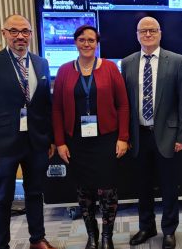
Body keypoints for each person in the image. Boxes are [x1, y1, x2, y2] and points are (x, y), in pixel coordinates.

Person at [0, 14, 56, 249]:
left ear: (30, 34)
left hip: (36, 142)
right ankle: (0, 245)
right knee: (3, 199)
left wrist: (50, 139)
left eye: (25, 31)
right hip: (3, 146)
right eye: (14, 31)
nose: (20, 36)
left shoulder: (41, 63)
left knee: (36, 194)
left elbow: (45, 106)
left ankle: (37, 239)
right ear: (4, 33)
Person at [52, 25, 129, 249]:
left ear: (97, 43)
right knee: (84, 191)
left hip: (106, 139)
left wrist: (123, 137)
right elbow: (56, 109)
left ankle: (107, 236)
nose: (87, 44)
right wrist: (60, 142)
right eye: (82, 40)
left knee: (107, 190)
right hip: (76, 140)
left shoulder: (110, 68)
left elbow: (123, 105)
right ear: (75, 42)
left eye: (91, 40)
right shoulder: (65, 70)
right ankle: (92, 235)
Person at [121, 17, 182, 249]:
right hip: (139, 136)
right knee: (142, 186)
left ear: (160, 33)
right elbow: (124, 104)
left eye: (152, 30)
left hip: (168, 136)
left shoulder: (177, 61)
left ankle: (169, 230)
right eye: (143, 31)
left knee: (169, 186)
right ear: (137, 35)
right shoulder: (127, 62)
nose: (148, 34)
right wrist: (125, 135)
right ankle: (146, 227)